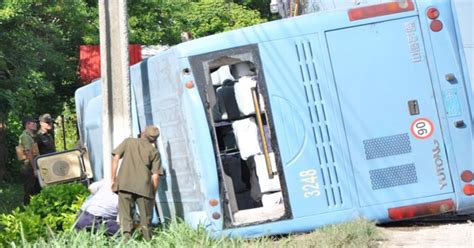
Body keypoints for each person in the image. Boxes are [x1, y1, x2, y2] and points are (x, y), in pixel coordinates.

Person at [111, 125, 163, 241]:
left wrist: (113, 179)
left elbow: (116, 158)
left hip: (124, 185)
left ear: (143, 133)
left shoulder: (129, 142)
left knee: (126, 217)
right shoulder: (154, 152)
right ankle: (148, 242)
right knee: (146, 220)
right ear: (154, 140)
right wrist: (152, 194)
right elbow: (155, 177)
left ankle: (126, 242)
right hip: (144, 188)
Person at [18, 116, 40, 204]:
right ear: (27, 125)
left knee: (34, 187)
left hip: (32, 164)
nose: (35, 124)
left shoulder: (31, 136)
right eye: (33, 123)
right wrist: (34, 168)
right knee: (29, 188)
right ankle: (27, 207)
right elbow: (28, 152)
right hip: (29, 165)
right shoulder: (25, 136)